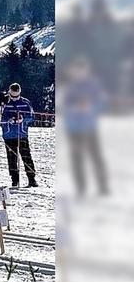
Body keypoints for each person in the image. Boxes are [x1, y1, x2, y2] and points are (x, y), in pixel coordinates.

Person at [61, 56, 109, 195]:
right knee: (77, 158)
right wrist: (75, 108)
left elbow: (103, 104)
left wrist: (91, 107)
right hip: (74, 128)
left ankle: (102, 185)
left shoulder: (94, 86)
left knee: (95, 156)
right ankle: (81, 187)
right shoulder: (69, 88)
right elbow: (63, 106)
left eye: (82, 70)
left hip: (90, 127)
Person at [0, 83, 38, 187]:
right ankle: (14, 180)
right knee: (12, 158)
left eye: (16, 96)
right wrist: (8, 120)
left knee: (26, 156)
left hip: (22, 134)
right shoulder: (3, 103)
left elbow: (31, 117)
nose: (14, 98)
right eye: (12, 96)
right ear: (9, 93)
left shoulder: (25, 102)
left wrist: (23, 119)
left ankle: (32, 179)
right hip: (9, 135)